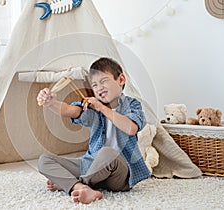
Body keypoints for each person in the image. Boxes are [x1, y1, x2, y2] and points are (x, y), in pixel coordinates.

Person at [36, 57, 151, 204]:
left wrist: (103, 108)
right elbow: (69, 110)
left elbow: (131, 128)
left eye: (103, 81)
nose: (99, 88)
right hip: (92, 166)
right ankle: (81, 187)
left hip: (119, 174)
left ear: (121, 79)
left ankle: (71, 183)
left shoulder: (132, 104)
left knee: (107, 152)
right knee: (45, 160)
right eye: (95, 85)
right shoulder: (92, 108)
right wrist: (51, 103)